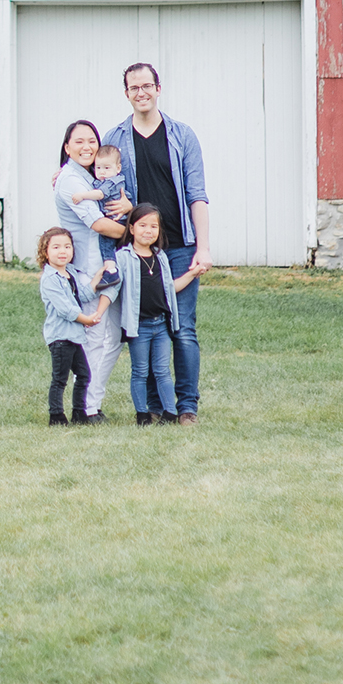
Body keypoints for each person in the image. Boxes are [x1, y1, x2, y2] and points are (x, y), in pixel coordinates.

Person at [102, 63, 211, 423]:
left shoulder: (182, 135)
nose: (141, 92)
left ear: (158, 88)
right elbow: (93, 170)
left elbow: (197, 195)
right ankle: (151, 405)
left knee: (182, 329)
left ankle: (186, 407)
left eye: (147, 85)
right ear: (126, 93)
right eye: (134, 87)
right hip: (137, 253)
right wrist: (64, 172)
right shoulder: (116, 138)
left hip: (179, 246)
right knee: (144, 326)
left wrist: (203, 247)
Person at [53, 120, 128, 421]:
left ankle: (91, 403)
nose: (87, 147)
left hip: (106, 265)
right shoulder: (71, 180)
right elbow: (97, 224)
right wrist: (138, 231)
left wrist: (127, 208)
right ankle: (85, 408)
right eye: (79, 141)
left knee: (115, 337)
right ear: (67, 147)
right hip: (88, 270)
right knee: (96, 337)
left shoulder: (91, 176)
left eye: (91, 141)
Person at [117, 204, 199, 425]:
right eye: (142, 225)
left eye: (154, 226)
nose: (148, 230)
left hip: (161, 325)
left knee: (163, 370)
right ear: (132, 229)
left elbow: (169, 288)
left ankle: (170, 413)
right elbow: (113, 288)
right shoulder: (124, 257)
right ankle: (142, 413)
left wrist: (193, 274)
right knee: (141, 372)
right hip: (139, 326)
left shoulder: (160, 257)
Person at [36, 225, 103, 426]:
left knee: (83, 375)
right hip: (60, 337)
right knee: (60, 378)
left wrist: (98, 277)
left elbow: (82, 295)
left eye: (67, 246)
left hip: (75, 337)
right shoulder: (50, 279)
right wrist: (87, 320)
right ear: (45, 252)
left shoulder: (70, 273)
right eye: (56, 247)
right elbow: (67, 310)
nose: (62, 251)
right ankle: (56, 415)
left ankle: (79, 413)